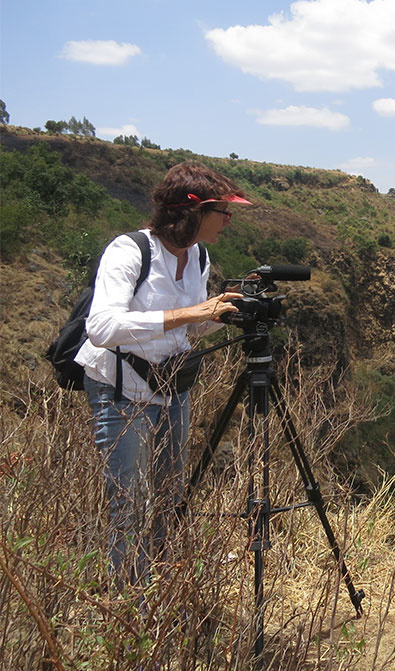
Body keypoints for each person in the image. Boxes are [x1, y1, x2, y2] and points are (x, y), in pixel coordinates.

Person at [76, 162, 249, 585]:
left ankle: (156, 586)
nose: (228, 220)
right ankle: (126, 610)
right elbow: (101, 328)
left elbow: (188, 326)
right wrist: (192, 311)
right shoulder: (130, 250)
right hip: (122, 390)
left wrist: (220, 312)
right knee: (130, 505)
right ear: (192, 211)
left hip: (173, 388)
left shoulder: (199, 257)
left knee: (170, 497)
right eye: (221, 212)